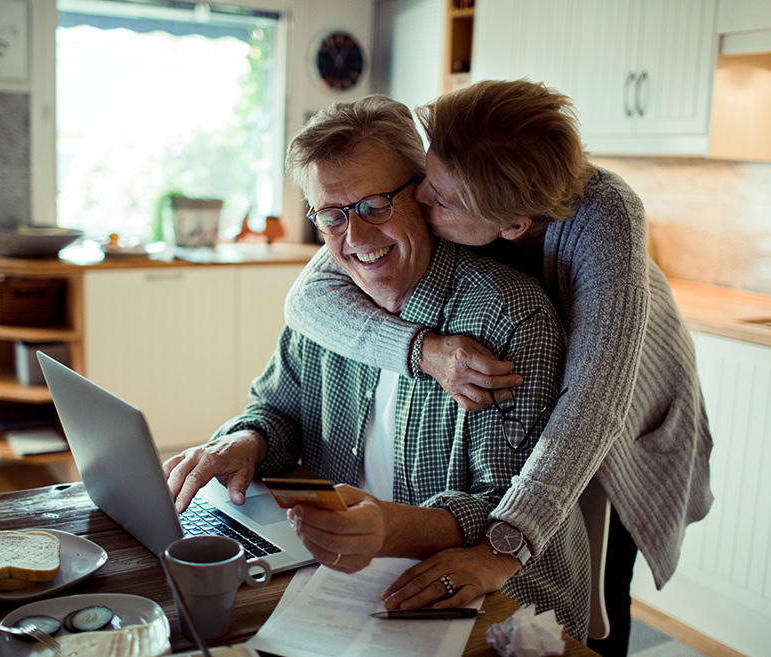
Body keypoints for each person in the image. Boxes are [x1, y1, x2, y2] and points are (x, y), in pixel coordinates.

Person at [283, 79, 714, 657]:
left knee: (600, 599)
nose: (419, 203)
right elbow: (307, 296)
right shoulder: (471, 182)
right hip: (571, 399)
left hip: (631, 422)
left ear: (509, 226)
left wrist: (501, 550)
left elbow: (594, 405)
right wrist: (424, 350)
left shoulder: (603, 220)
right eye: (420, 185)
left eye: (435, 199)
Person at [163, 94, 591, 640]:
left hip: (496, 603)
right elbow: (275, 407)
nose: (355, 240)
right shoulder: (328, 300)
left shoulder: (507, 317)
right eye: (332, 216)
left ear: (425, 193)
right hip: (342, 582)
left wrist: (388, 530)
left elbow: (510, 508)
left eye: (373, 206)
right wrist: (244, 442)